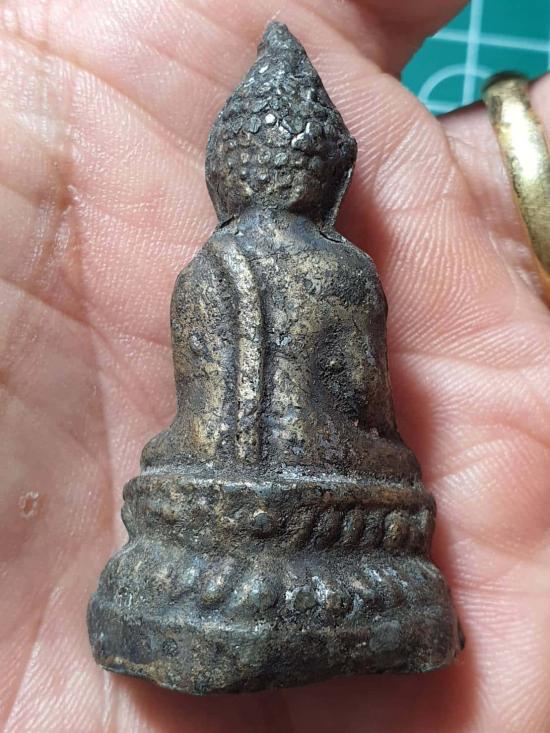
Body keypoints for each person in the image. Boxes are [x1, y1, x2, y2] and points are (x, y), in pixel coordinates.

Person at [1, 0, 549, 730]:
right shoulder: (343, 271)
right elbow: (364, 401)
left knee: (171, 484)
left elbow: (200, 402)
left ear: (225, 173)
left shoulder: (206, 268)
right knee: (388, 498)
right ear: (329, 176)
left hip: (202, 521)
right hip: (334, 518)